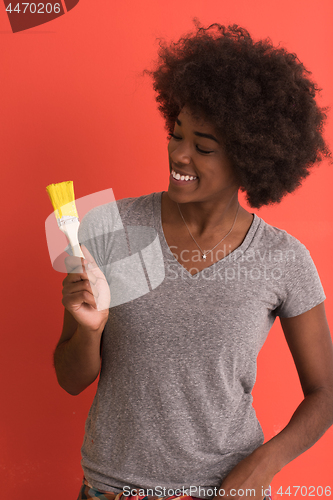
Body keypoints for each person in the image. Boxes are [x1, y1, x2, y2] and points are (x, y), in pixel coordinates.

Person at [54, 21, 333, 500]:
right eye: (176, 134)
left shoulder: (282, 259)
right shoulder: (111, 228)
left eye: (203, 147)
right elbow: (69, 379)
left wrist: (262, 466)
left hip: (224, 491)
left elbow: (326, 393)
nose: (179, 155)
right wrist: (90, 329)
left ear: (250, 158)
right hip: (113, 489)